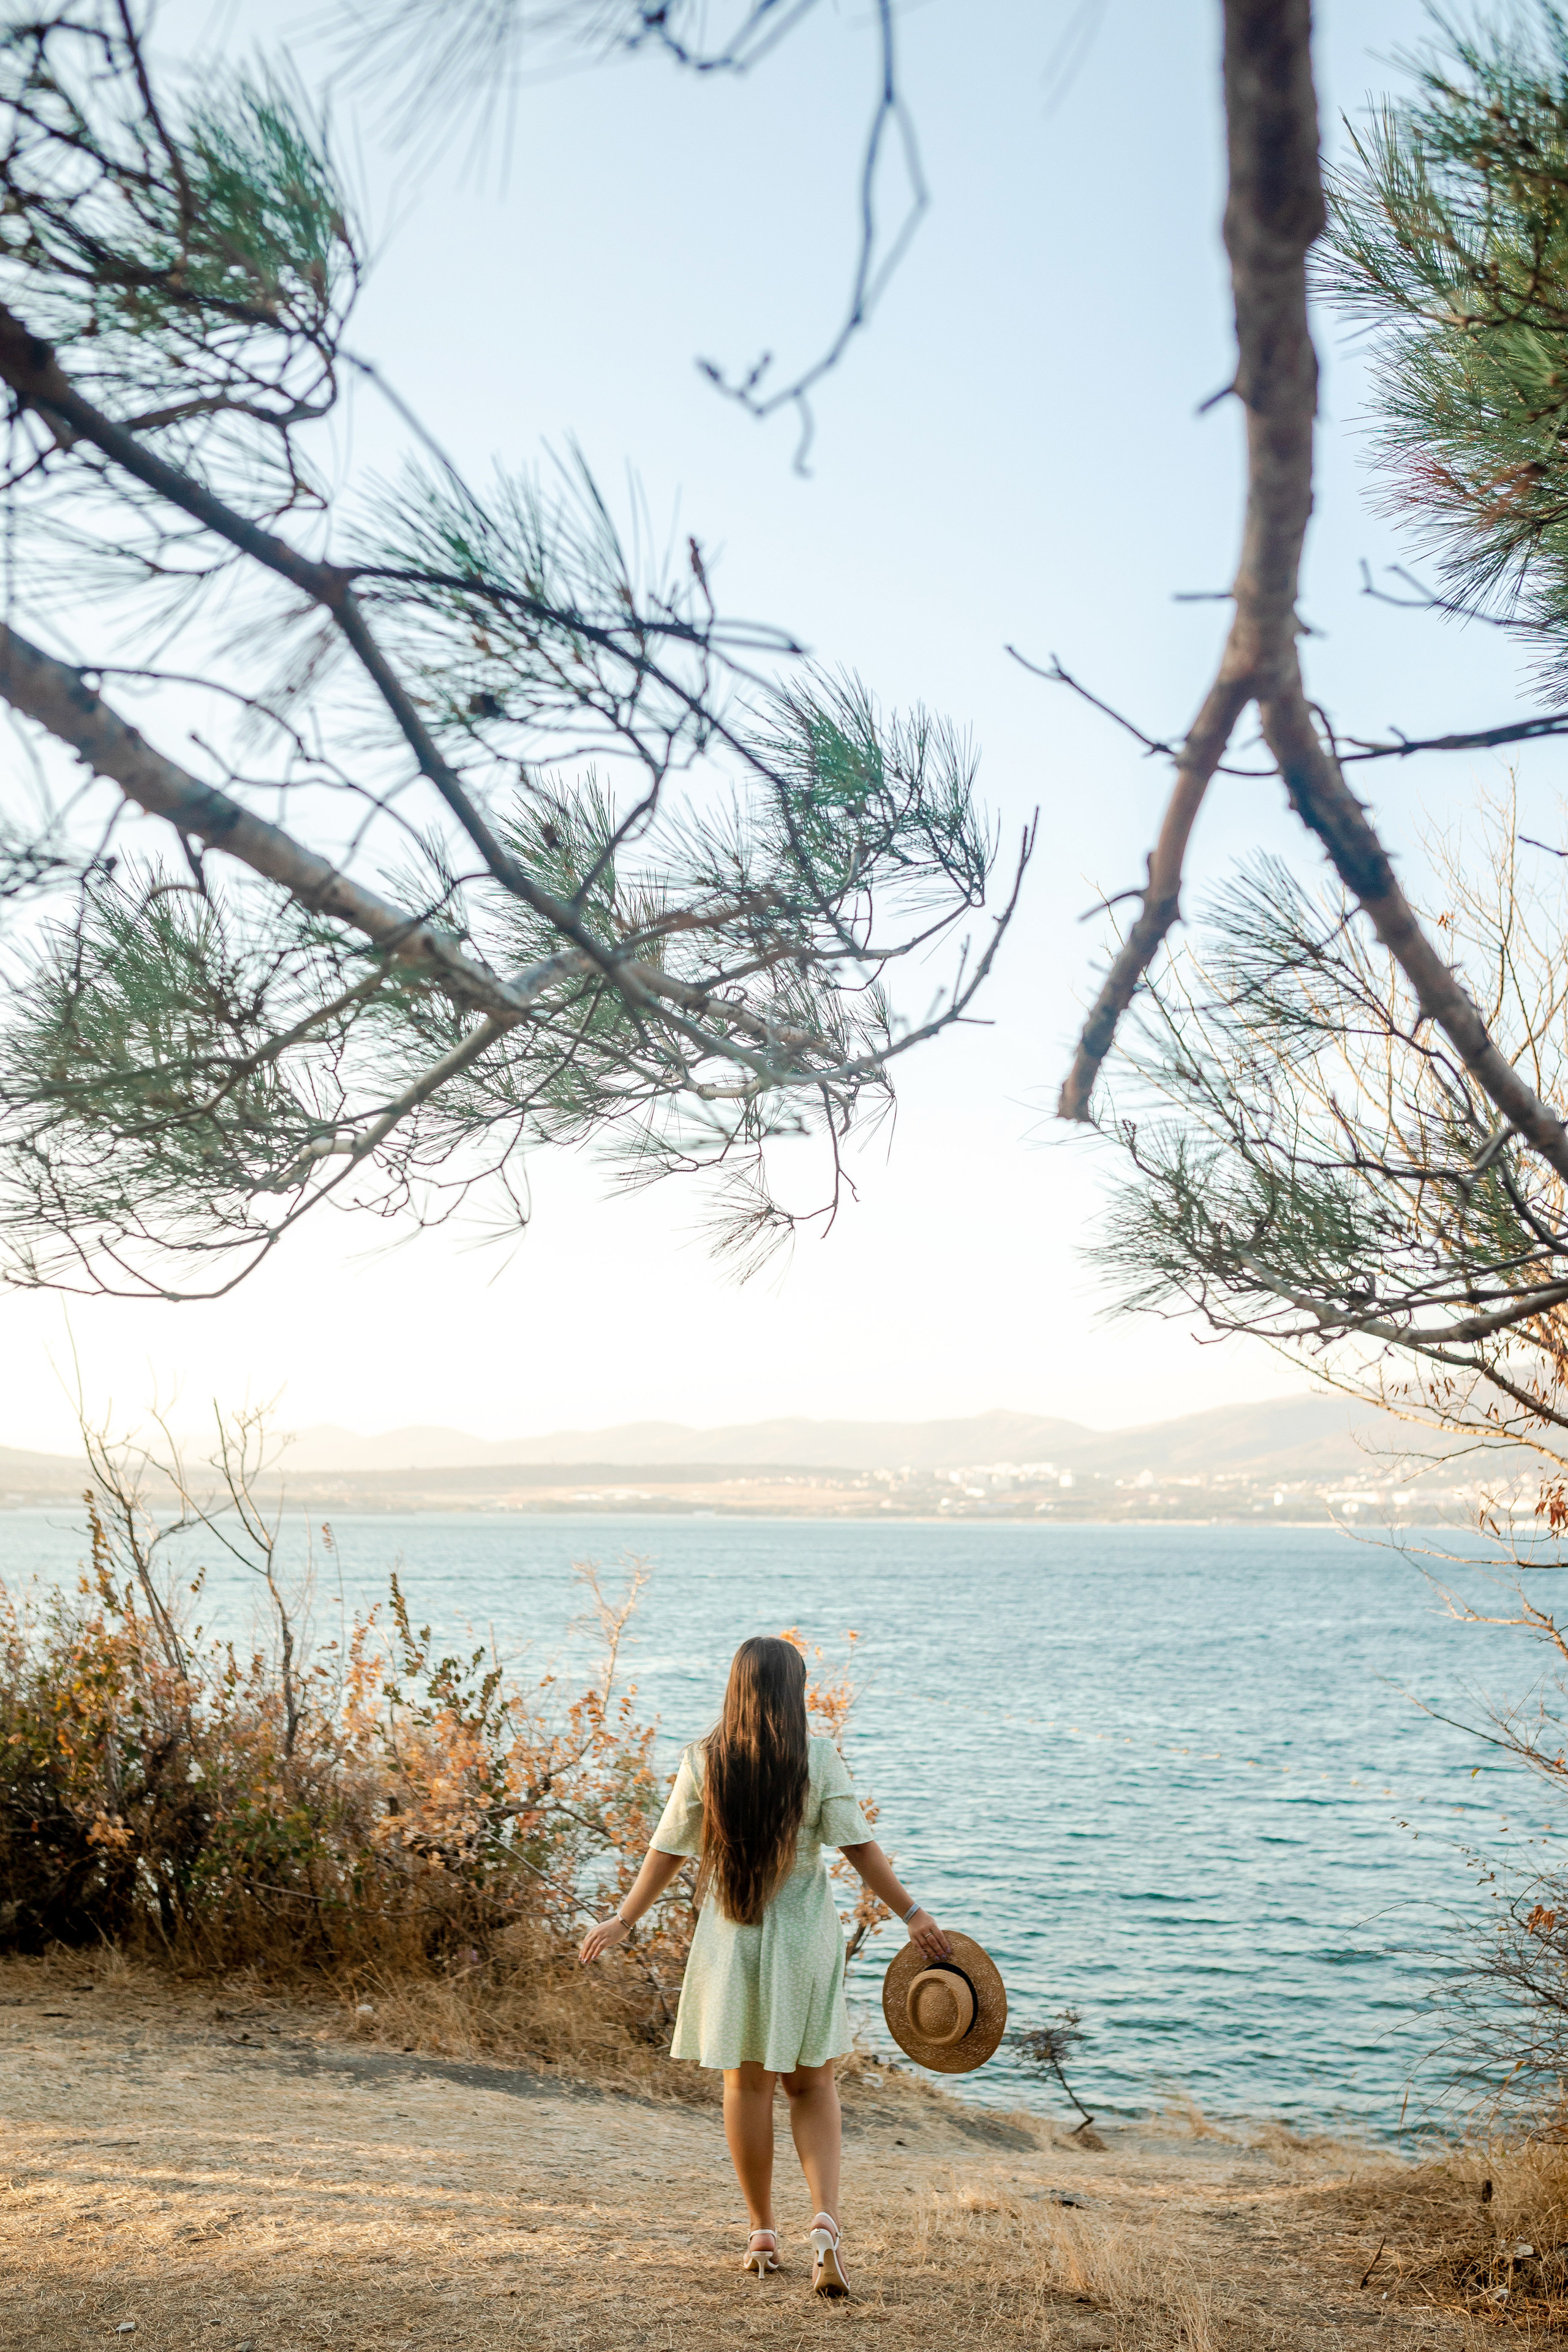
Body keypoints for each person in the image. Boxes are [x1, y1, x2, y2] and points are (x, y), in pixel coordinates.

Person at [579, 1633, 951, 2297]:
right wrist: (913, 1914)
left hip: (733, 1942)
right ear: (793, 1692)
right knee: (811, 2086)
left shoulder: (704, 1761)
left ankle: (760, 2232)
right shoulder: (818, 1758)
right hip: (804, 1941)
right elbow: (860, 1848)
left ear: (736, 1688)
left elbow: (667, 1851)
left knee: (746, 2088)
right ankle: (826, 2226)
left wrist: (624, 1917)